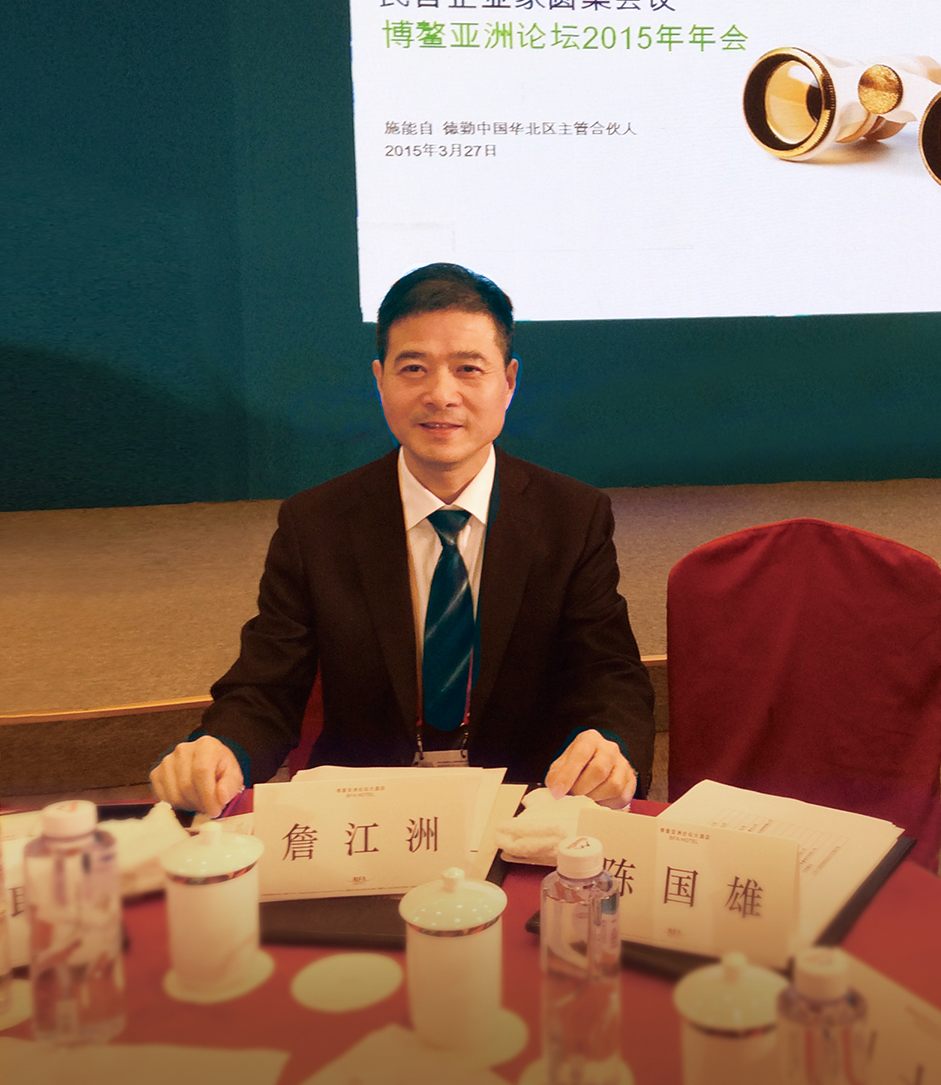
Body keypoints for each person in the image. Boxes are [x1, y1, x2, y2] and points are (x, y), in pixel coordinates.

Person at [151, 264, 654, 817]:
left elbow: (607, 672)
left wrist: (612, 746)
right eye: (414, 368)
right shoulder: (316, 523)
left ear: (509, 382)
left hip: (525, 807)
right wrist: (222, 747)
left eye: (469, 369)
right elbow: (267, 685)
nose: (441, 395)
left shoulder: (572, 516)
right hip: (365, 813)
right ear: (380, 379)